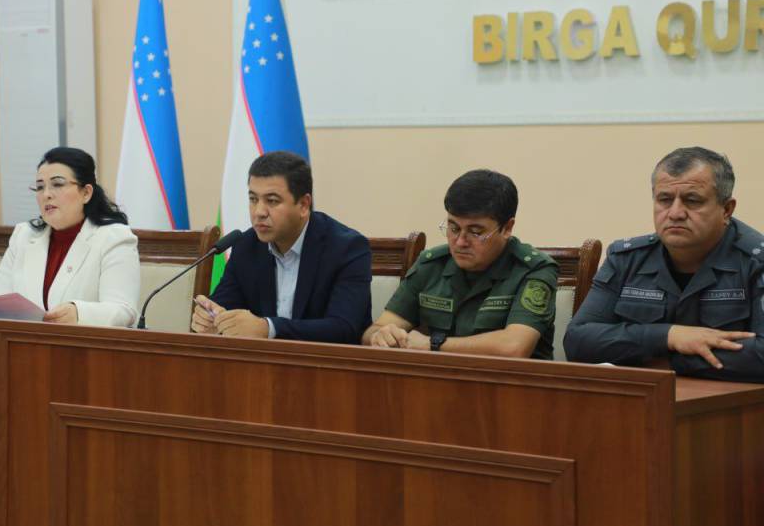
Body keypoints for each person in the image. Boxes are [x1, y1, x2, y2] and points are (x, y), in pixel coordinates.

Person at [565, 147, 762, 381]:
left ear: (726, 209)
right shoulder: (627, 259)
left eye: (692, 201)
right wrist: (669, 336)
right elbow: (578, 341)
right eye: (665, 200)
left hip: (733, 402)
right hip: (644, 398)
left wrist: (667, 361)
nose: (675, 213)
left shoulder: (756, 261)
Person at [363, 169, 558, 359]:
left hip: (508, 380)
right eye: (453, 228)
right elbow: (374, 331)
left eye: (475, 232)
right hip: (434, 379)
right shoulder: (431, 264)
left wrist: (432, 345)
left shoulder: (534, 269)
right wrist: (380, 336)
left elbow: (513, 348)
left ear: (507, 228)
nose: (460, 242)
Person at [0, 147, 139, 326]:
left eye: (57, 184)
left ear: (86, 193)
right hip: (23, 349)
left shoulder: (113, 238)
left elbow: (124, 311)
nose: (46, 194)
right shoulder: (24, 235)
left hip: (83, 353)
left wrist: (79, 312)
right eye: (40, 187)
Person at [191, 151, 371, 343]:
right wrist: (211, 317)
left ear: (304, 205)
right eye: (253, 199)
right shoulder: (246, 245)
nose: (259, 212)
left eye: (272, 201)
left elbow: (344, 328)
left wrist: (268, 328)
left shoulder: (346, 248)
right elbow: (224, 304)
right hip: (259, 362)